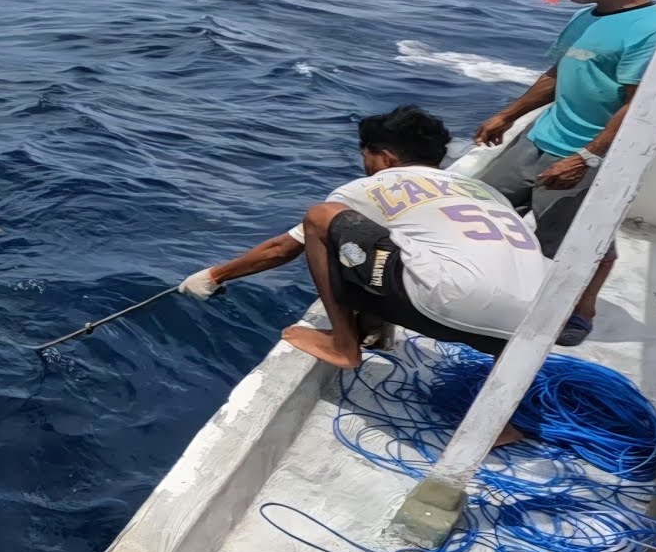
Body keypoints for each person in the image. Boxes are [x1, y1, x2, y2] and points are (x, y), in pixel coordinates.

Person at [179, 106, 548, 369]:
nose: (365, 165)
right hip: (535, 332)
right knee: (405, 244)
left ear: (385, 158)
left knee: (323, 218)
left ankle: (343, 344)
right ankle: (507, 424)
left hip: (449, 312)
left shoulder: (375, 185)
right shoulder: (486, 192)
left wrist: (213, 277)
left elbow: (281, 249)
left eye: (366, 156)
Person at [474, 0, 656, 346]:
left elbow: (637, 106)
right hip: (540, 138)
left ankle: (582, 309)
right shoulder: (585, 16)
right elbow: (558, 73)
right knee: (481, 207)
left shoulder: (654, 31)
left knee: (579, 239)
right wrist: (508, 114)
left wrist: (585, 156)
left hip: (592, 155)